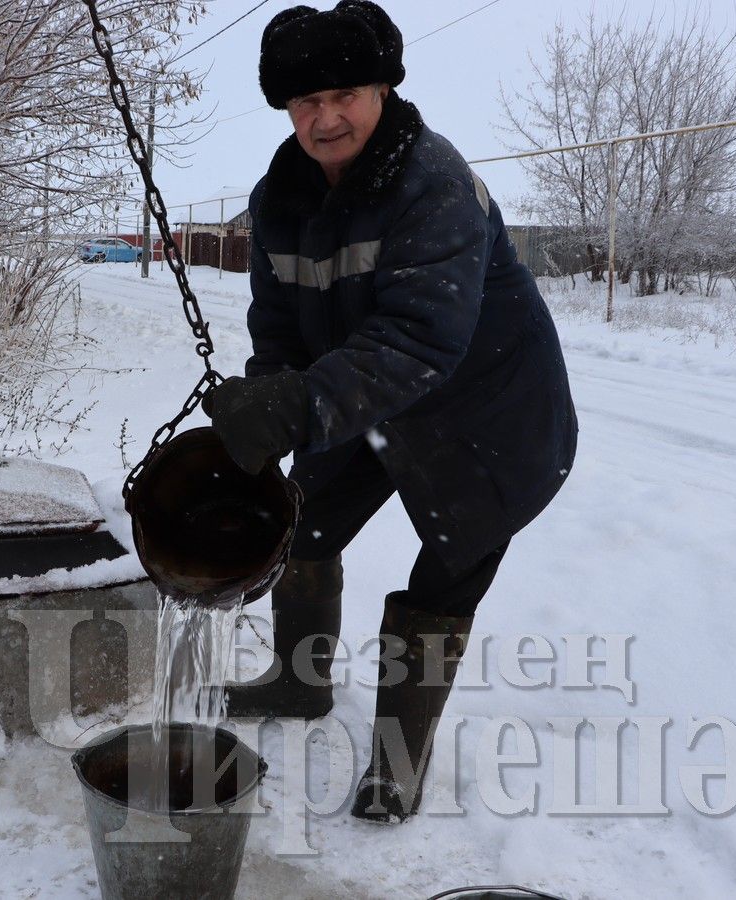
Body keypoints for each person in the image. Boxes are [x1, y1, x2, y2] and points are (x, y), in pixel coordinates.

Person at [205, 1, 579, 824]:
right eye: (305, 102)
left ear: (382, 90)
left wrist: (301, 403)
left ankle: (396, 765)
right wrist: (272, 400)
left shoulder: (432, 182)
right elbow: (277, 322)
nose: (324, 117)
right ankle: (297, 683)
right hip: (363, 390)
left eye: (344, 94)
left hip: (485, 412)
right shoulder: (280, 198)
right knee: (301, 525)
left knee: (444, 570)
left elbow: (418, 339)